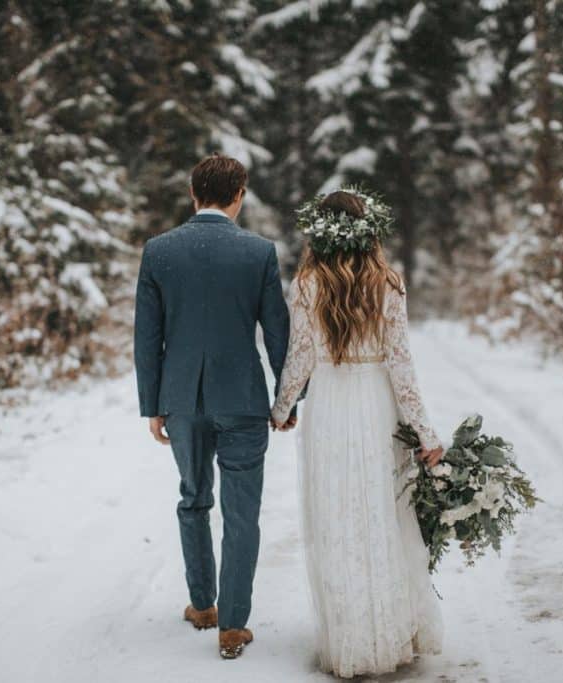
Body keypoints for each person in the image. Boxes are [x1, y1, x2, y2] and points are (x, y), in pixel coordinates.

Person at [270, 189, 444, 678]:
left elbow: (300, 356)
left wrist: (283, 408)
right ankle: (392, 630)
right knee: (383, 513)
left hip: (329, 403)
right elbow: (401, 367)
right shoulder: (388, 283)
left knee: (339, 516)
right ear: (369, 231)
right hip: (376, 405)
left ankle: (353, 636)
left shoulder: (306, 284)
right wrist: (425, 433)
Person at [133, 153, 294, 660]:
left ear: (192, 192)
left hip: (181, 399)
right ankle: (233, 625)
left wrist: (152, 404)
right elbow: (277, 330)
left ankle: (202, 604)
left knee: (193, 497)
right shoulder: (259, 252)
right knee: (242, 513)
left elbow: (147, 336)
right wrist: (287, 398)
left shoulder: (158, 251)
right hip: (243, 399)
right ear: (239, 194)